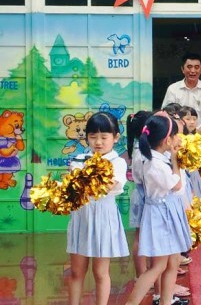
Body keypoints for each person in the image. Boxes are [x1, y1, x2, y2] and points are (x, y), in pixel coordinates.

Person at [125, 113, 192, 305]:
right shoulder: (156, 164)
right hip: (162, 216)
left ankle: (166, 301)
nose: (179, 139)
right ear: (167, 140)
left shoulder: (156, 158)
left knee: (172, 262)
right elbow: (178, 188)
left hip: (165, 214)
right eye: (176, 135)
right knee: (157, 266)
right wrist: (176, 160)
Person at [67, 112, 129, 305]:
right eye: (93, 137)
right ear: (87, 138)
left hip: (104, 218)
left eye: (104, 137)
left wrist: (83, 180)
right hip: (81, 217)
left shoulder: (117, 162)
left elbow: (108, 186)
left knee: (100, 272)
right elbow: (73, 186)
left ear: (116, 137)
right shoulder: (78, 159)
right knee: (77, 271)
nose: (98, 142)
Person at [161, 52, 201, 139]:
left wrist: (198, 134)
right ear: (182, 69)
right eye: (189, 67)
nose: (193, 71)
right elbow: (168, 113)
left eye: (196, 67)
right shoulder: (173, 89)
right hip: (177, 136)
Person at [126, 111, 153, 279]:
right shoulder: (144, 153)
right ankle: (143, 276)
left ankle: (142, 275)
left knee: (140, 236)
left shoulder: (137, 149)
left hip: (140, 195)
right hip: (147, 197)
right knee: (143, 238)